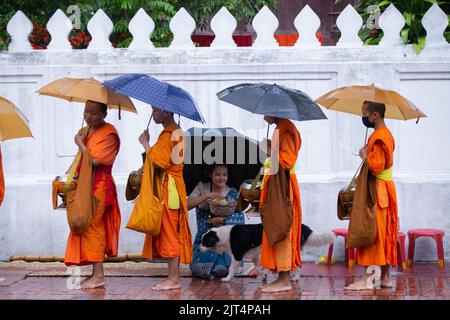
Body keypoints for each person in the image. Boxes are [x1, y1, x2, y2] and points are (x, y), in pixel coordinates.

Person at [64, 100, 121, 289]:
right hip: (86, 185)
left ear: (104, 114)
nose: (89, 116)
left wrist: (80, 144)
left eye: (94, 113)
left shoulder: (109, 134)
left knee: (93, 227)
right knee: (87, 226)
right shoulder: (88, 132)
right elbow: (83, 159)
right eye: (86, 112)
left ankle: (99, 275)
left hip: (99, 186)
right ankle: (95, 273)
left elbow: (96, 161)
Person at [345, 101, 398, 290]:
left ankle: (369, 278)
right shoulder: (382, 134)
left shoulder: (381, 136)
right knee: (382, 233)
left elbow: (376, 167)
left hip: (377, 191)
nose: (364, 117)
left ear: (374, 115)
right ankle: (385, 277)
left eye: (365, 114)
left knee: (372, 231)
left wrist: (364, 155)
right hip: (382, 189)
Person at [138, 107, 192, 291]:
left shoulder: (170, 134)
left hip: (169, 189)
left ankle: (173, 279)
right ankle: (173, 277)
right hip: (173, 187)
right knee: (170, 230)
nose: (153, 114)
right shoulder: (175, 132)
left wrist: (145, 144)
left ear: (168, 112)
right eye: (153, 110)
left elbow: (159, 162)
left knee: (170, 232)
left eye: (156, 111)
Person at [259, 116, 302, 293]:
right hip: (278, 183)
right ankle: (281, 276)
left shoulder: (285, 130)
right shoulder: (281, 128)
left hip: (283, 186)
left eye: (265, 112)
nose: (263, 116)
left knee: (282, 226)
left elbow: (286, 161)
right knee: (276, 226)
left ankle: (284, 280)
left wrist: (270, 150)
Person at [187, 164, 245, 279]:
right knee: (199, 270)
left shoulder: (232, 192)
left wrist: (223, 220)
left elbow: (241, 218)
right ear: (210, 174)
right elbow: (187, 205)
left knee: (221, 270)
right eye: (217, 174)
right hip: (204, 240)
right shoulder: (201, 187)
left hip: (224, 242)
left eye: (225, 175)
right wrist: (206, 196)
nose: (221, 178)